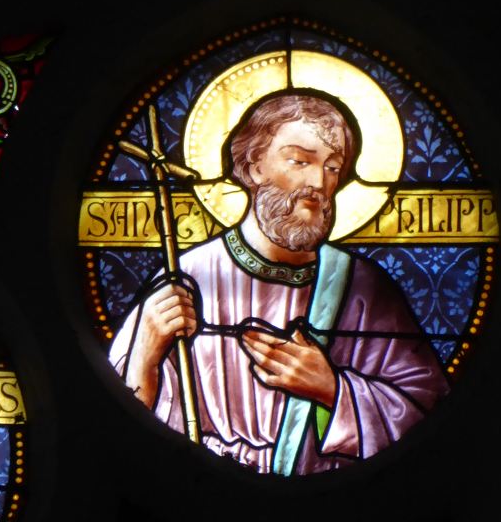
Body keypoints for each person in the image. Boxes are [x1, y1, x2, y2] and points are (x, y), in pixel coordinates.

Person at [109, 93, 449, 475]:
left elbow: (430, 415)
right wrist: (146, 352)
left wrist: (331, 388)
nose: (319, 182)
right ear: (255, 166)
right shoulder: (187, 277)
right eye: (300, 161)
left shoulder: (365, 289)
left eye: (333, 167)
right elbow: (121, 432)